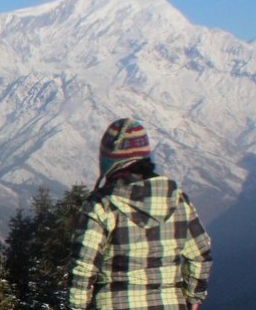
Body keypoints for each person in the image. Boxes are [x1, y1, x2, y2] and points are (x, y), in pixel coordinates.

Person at [68, 118, 213, 310]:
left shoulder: (101, 204)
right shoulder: (178, 200)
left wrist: (78, 307)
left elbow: (83, 266)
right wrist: (193, 297)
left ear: (108, 160)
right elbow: (200, 255)